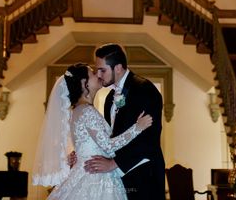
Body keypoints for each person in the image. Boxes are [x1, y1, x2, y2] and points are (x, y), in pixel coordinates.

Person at [32, 63, 153, 200]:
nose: (99, 75)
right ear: (85, 83)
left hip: (85, 173)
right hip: (96, 177)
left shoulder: (76, 111)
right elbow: (108, 146)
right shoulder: (86, 111)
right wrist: (137, 127)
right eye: (93, 74)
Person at [85, 44, 165, 200]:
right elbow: (110, 138)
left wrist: (113, 163)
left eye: (103, 70)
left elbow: (149, 140)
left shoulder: (144, 89)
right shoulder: (109, 99)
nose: (99, 75)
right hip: (119, 178)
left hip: (144, 176)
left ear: (118, 68)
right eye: (97, 70)